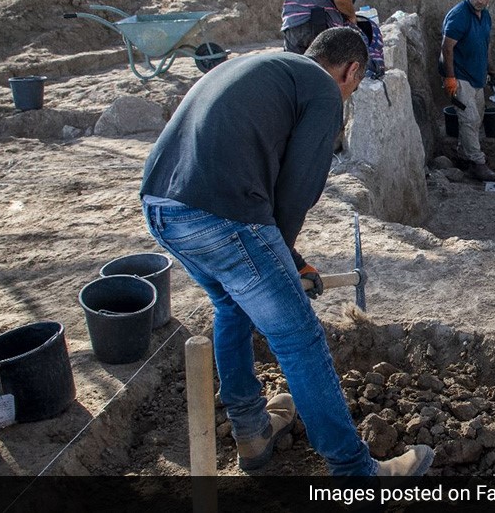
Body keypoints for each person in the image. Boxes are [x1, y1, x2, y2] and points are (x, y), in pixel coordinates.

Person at [140, 28, 433, 477]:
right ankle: (357, 475)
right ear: (350, 69)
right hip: (222, 213)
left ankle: (253, 432)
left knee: (231, 307)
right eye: (355, 84)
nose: (351, 93)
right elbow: (296, 192)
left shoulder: (262, 66)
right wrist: (283, 256)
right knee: (300, 338)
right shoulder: (322, 89)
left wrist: (287, 262)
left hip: (162, 207)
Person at [440, 0, 495, 182]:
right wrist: (450, 78)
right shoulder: (459, 16)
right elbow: (447, 47)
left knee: (477, 117)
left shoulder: (485, 16)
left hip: (477, 75)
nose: (480, 0)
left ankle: (463, 155)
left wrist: (490, 69)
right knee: (469, 118)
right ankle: (477, 164)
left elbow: (485, 43)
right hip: (460, 75)